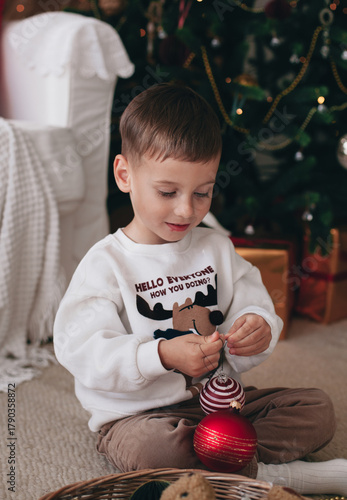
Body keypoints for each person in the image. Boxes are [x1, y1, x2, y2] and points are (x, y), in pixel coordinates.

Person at [53, 83, 347, 495]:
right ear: (125, 175)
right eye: (167, 192)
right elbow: (80, 349)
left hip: (220, 404)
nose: (186, 209)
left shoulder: (215, 248)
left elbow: (253, 300)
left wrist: (257, 325)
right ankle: (279, 477)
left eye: (203, 192)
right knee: (157, 453)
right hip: (139, 415)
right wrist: (158, 355)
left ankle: (223, 458)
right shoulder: (106, 264)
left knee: (317, 410)